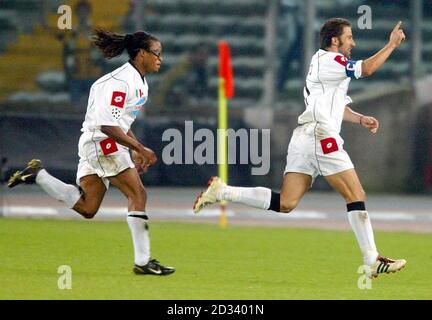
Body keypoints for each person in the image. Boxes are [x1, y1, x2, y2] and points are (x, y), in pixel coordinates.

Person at [193, 18, 407, 279]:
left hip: (306, 138)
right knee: (356, 193)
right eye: (349, 37)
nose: (353, 42)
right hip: (321, 137)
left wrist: (359, 118)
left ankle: (223, 191)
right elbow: (368, 69)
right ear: (334, 40)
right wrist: (391, 45)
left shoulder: (326, 65)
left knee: (286, 203)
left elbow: (335, 105)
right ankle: (371, 258)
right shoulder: (331, 60)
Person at [8, 29, 175, 276]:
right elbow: (107, 125)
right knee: (138, 194)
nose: (160, 58)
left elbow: (121, 123)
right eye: (157, 53)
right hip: (102, 142)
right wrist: (138, 148)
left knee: (88, 208)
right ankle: (143, 262)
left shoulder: (139, 82)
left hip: (99, 142)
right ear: (141, 54)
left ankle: (39, 175)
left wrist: (135, 148)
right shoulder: (121, 82)